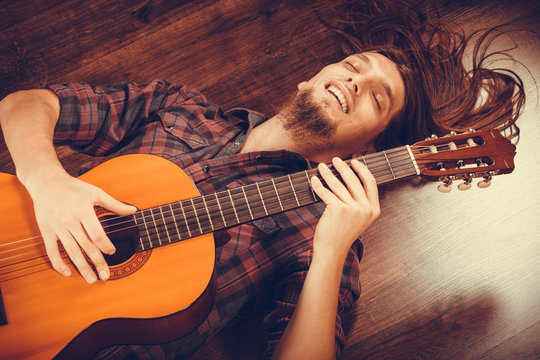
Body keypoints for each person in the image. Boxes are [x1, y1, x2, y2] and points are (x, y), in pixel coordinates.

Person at [0, 1, 525, 359]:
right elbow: (28, 105)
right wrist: (48, 181)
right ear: (312, 76)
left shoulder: (313, 235)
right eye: (354, 66)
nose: (354, 81)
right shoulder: (181, 107)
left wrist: (330, 252)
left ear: (368, 148)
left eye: (377, 97)